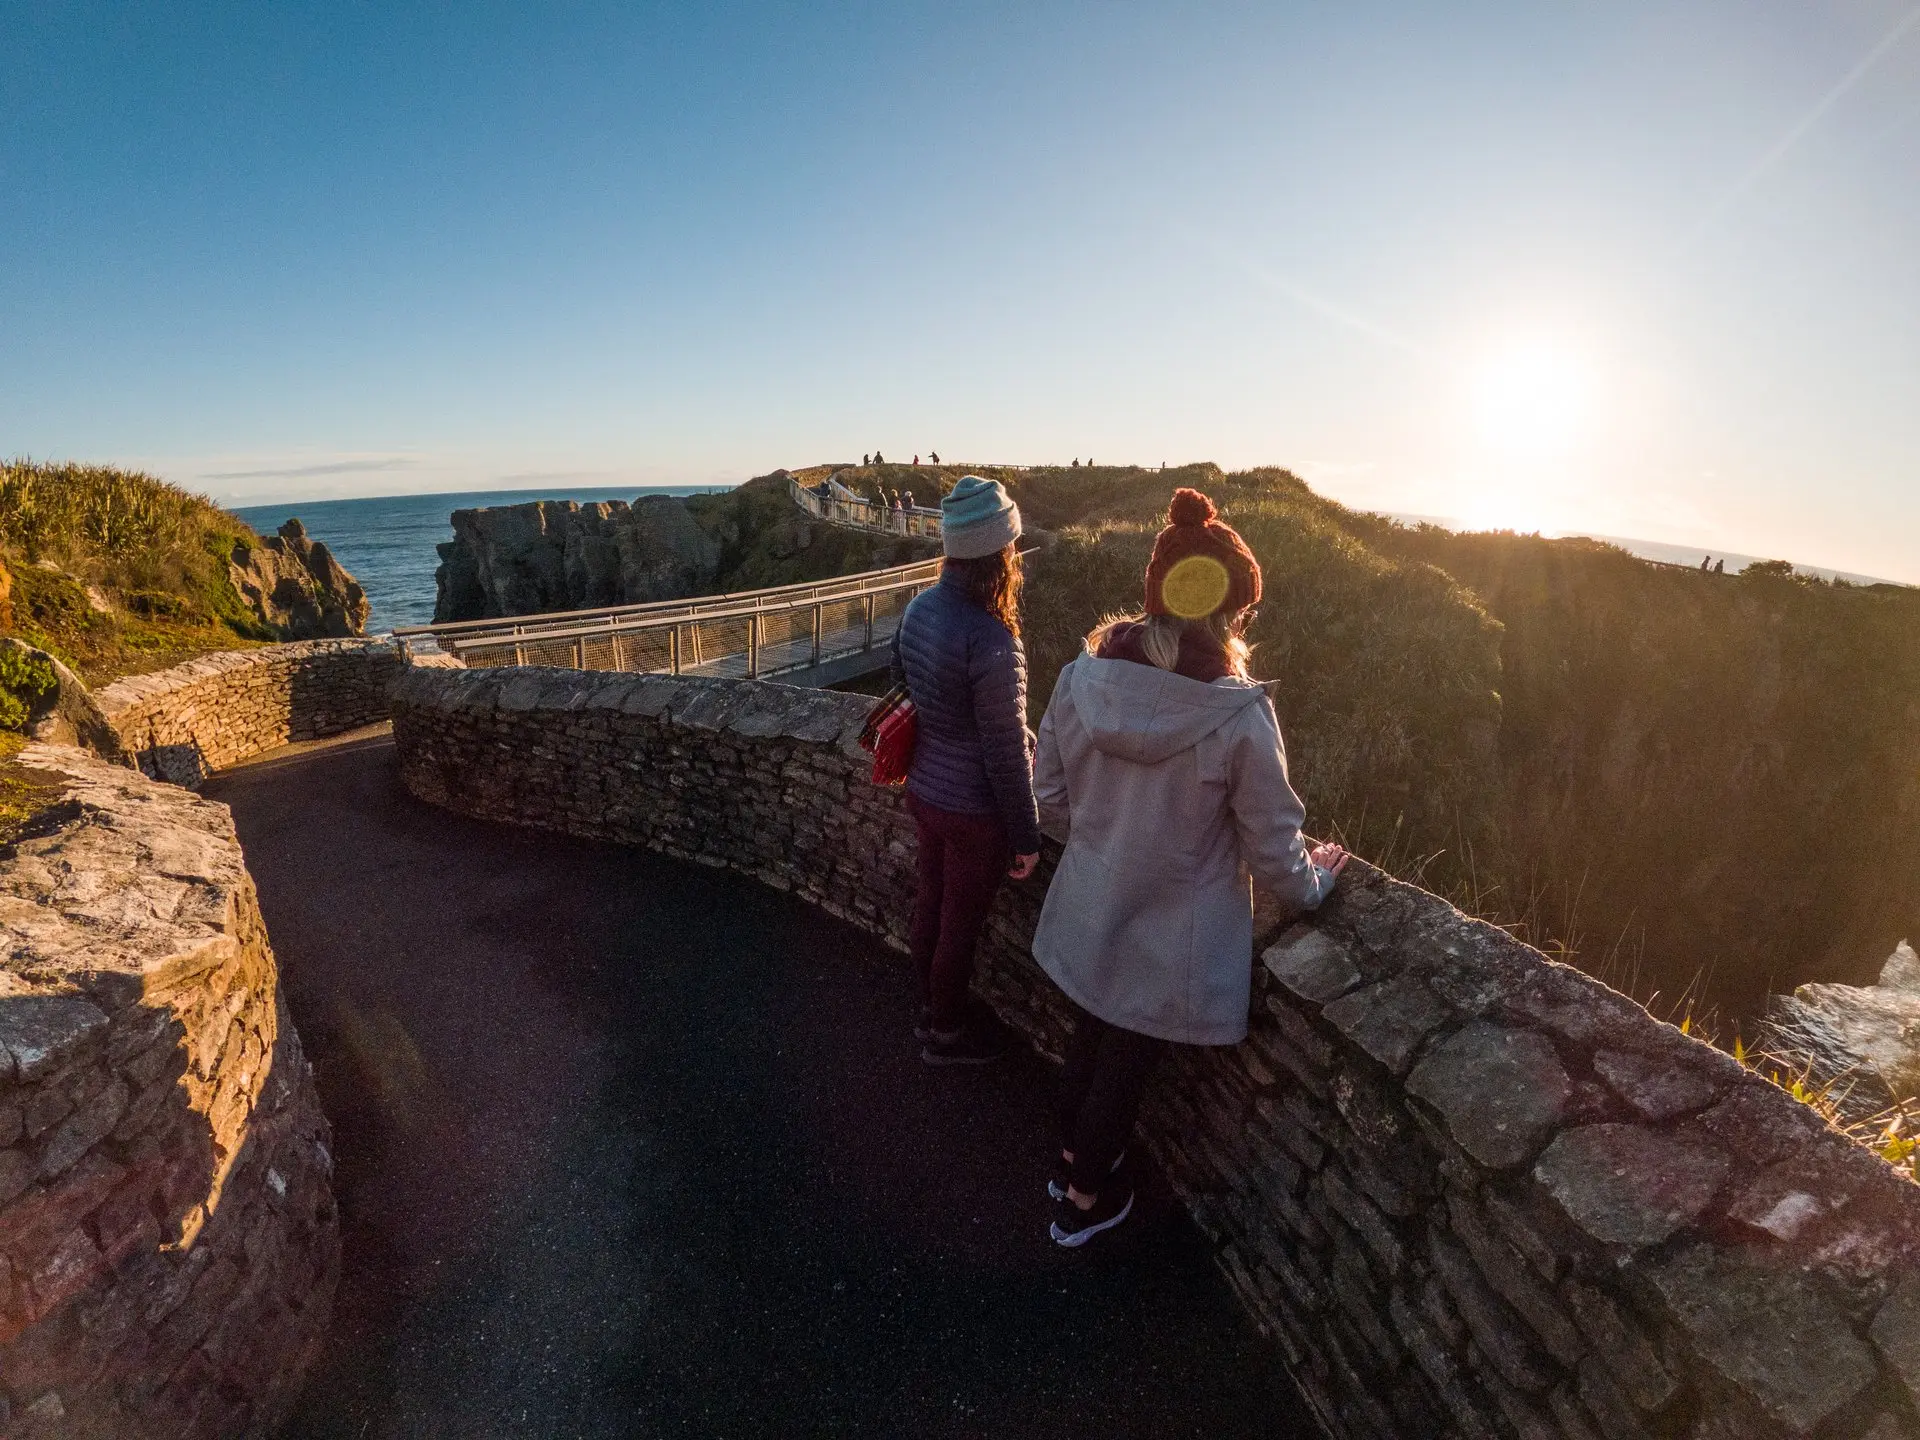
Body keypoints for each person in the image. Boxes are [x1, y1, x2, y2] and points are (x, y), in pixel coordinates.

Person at [1031, 488, 1347, 1246]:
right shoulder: (1237, 714)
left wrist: (1102, 840)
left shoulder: (1083, 679)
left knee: (1091, 1027)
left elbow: (1047, 799)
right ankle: (1082, 1200)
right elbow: (1273, 842)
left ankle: (1071, 1157)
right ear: (1230, 610)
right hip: (1174, 924)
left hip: (1090, 898)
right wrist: (1315, 883)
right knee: (1128, 1053)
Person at [891, 476, 1040, 1065]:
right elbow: (1006, 752)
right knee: (959, 925)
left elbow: (903, 688)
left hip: (925, 789)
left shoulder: (919, 608)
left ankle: (928, 1008)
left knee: (930, 902)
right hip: (973, 810)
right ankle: (945, 1034)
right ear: (998, 552)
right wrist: (1026, 838)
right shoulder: (992, 638)